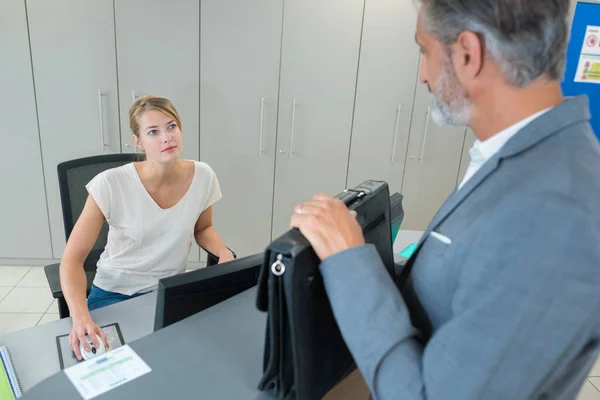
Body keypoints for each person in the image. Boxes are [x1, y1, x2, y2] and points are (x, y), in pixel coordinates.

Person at [291, 1, 600, 398]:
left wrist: (347, 260)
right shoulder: (524, 159)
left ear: (469, 54)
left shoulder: (555, 212)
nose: (422, 75)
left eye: (424, 50)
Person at [60, 95, 235, 360]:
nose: (166, 137)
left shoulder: (203, 176)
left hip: (168, 293)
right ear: (138, 141)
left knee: (183, 363)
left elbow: (203, 228)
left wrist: (223, 252)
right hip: (112, 294)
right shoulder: (109, 184)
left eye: (171, 126)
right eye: (153, 131)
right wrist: (80, 316)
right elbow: (72, 260)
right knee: (109, 371)